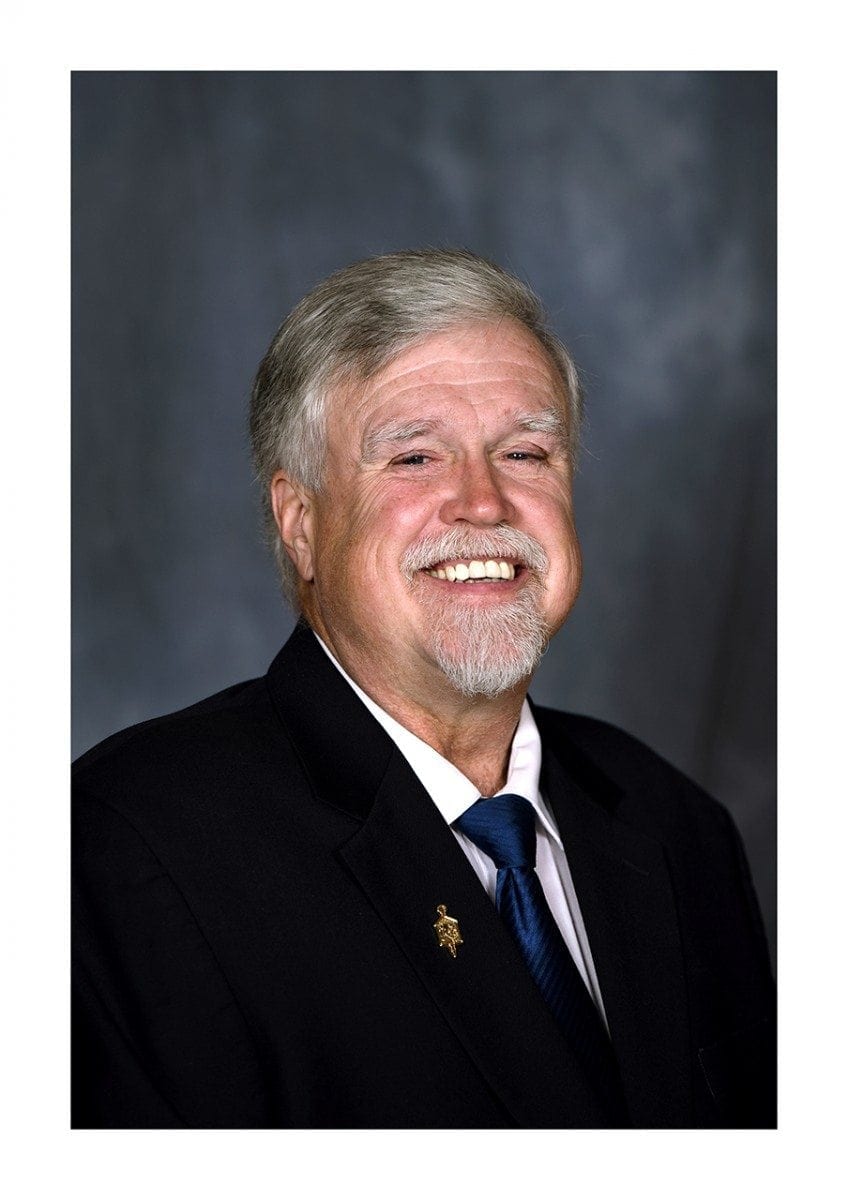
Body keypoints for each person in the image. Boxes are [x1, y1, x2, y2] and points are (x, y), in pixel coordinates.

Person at [72, 249, 775, 1128]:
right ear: (301, 525)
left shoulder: (676, 824)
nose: (484, 503)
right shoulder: (130, 848)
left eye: (524, 452)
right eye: (413, 458)